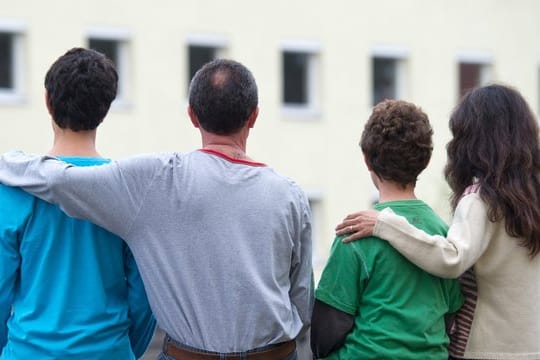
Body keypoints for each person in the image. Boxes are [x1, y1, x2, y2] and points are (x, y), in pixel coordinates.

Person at [0, 58, 314, 360]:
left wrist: (8, 161)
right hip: (264, 354)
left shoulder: (149, 183)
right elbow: (302, 299)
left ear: (192, 115)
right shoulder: (291, 195)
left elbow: (57, 181)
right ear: (254, 116)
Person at [335, 84, 540, 359]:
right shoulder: (532, 198)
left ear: (475, 141)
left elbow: (452, 259)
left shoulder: (481, 199)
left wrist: (385, 224)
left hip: (486, 347)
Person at [0, 48, 156, 359]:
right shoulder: (127, 192)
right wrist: (123, 349)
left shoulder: (13, 189)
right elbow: (145, 297)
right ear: (106, 108)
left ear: (47, 101)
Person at [311, 99, 463, 359]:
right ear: (425, 161)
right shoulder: (445, 235)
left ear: (367, 160)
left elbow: (326, 331)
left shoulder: (355, 233)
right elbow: (451, 315)